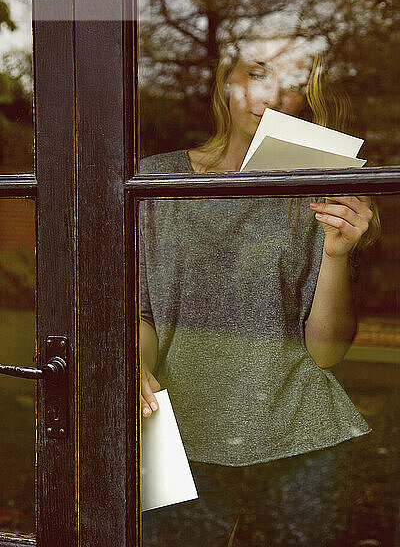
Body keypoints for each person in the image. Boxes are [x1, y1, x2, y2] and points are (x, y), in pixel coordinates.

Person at [139, 30, 380, 546]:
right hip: (175, 437)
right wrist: (130, 364)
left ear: (305, 98)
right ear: (226, 82)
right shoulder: (155, 181)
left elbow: (328, 352)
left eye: (290, 80)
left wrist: (337, 257)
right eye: (257, 72)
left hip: (304, 437)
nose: (270, 96)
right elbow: (143, 314)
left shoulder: (318, 185)